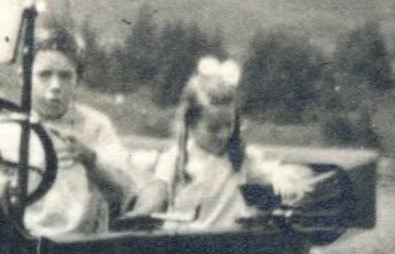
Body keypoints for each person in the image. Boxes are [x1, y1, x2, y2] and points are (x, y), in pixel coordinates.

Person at [133, 57, 338, 228]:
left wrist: (285, 177)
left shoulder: (239, 157)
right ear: (191, 124)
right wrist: (144, 211)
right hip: (186, 246)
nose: (223, 135)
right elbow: (156, 192)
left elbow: (272, 172)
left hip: (228, 245)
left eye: (228, 126)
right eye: (214, 129)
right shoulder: (176, 160)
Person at [17, 26, 148, 237]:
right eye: (44, 75)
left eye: (65, 76)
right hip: (21, 240)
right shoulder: (7, 127)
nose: (55, 85)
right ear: (24, 77)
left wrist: (91, 160)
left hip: (79, 242)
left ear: (77, 79)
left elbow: (124, 189)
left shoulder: (95, 126)